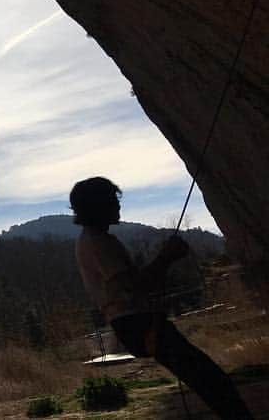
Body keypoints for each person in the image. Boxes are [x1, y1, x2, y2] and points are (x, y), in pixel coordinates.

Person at [70, 176, 253, 419]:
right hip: (136, 322)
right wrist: (167, 257)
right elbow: (136, 286)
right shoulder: (99, 243)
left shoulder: (93, 241)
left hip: (131, 323)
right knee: (211, 380)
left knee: (208, 380)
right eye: (112, 200)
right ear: (98, 206)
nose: (118, 205)